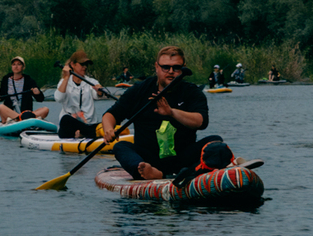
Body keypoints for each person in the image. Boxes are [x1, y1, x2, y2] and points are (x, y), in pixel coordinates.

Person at [100, 45, 209, 180]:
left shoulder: (192, 92)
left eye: (176, 68)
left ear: (183, 68)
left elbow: (201, 121)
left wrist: (171, 112)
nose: (171, 72)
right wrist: (109, 129)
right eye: (165, 67)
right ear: (157, 67)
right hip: (149, 159)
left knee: (215, 142)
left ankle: (183, 173)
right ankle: (144, 170)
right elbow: (110, 114)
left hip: (182, 157)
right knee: (120, 146)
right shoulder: (139, 90)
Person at [52, 50, 109, 139]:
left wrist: (99, 92)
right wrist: (66, 77)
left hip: (89, 124)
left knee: (110, 118)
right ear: (73, 64)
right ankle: (88, 133)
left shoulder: (92, 82)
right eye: (82, 64)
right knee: (65, 119)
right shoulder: (64, 82)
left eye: (86, 65)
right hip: (71, 125)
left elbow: (100, 95)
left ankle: (84, 133)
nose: (85, 67)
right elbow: (58, 98)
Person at [0, 56, 48, 122]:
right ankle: (21, 119)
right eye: (14, 64)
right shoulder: (6, 79)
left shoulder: (29, 80)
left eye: (19, 64)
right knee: (1, 107)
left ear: (23, 67)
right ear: (12, 67)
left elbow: (40, 99)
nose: (16, 66)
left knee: (45, 109)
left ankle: (22, 118)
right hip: (11, 113)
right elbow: (1, 95)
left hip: (25, 113)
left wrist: (38, 93)